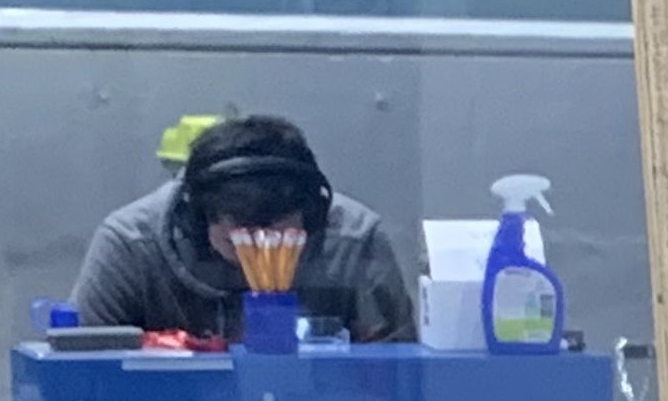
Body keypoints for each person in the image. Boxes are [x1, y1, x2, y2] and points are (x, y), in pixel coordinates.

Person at [74, 115, 414, 342]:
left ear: (311, 214)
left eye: (275, 228)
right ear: (197, 219)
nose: (258, 247)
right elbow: (80, 372)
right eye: (239, 232)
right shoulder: (131, 245)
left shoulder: (355, 241)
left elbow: (397, 377)